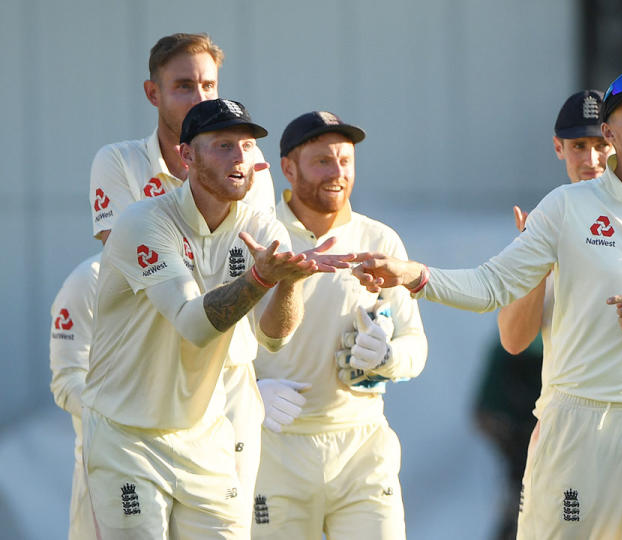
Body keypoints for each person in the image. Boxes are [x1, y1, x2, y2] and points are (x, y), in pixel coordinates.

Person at [353, 68, 622, 539]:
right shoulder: (564, 208)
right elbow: (491, 285)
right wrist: (417, 274)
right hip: (580, 424)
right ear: (610, 134)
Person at [82, 99, 353, 538]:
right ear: (187, 156)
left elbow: (275, 338)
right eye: (223, 146)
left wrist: (289, 283)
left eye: (246, 146)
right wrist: (261, 277)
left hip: (206, 435)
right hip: (126, 436)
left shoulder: (262, 227)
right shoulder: (144, 222)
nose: (239, 159)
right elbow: (193, 325)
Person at [86, 32, 277, 513]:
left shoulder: (247, 162)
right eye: (184, 86)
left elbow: (256, 260)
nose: (200, 98)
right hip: (144, 382)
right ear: (154, 94)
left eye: (209, 85)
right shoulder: (119, 161)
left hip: (227, 378)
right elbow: (143, 264)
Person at [250, 111, 427, 539]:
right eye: (323, 161)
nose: (338, 173)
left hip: (362, 445)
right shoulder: (257, 237)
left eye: (346, 161)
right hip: (275, 450)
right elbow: (212, 340)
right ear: (287, 168)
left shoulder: (379, 240)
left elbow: (415, 345)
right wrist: (249, 392)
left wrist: (389, 358)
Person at [474, 89, 613, 540]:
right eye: (578, 146)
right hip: (564, 430)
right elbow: (512, 342)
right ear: (559, 149)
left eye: (600, 144)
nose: (591, 158)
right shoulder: (544, 227)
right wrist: (536, 268)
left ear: (618, 140)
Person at [49, 253, 100, 539]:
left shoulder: (183, 270)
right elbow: (66, 382)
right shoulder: (88, 279)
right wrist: (121, 416)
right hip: (106, 469)